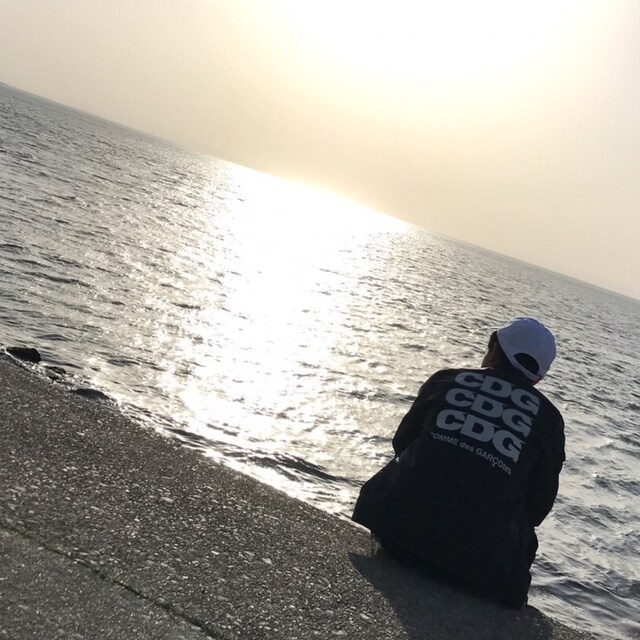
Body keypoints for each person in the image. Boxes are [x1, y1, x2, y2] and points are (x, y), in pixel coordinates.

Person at [352, 317, 565, 608]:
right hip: (484, 570)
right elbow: (539, 506)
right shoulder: (549, 420)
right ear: (537, 377)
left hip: (397, 531)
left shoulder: (446, 380)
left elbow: (402, 443)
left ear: (494, 349)